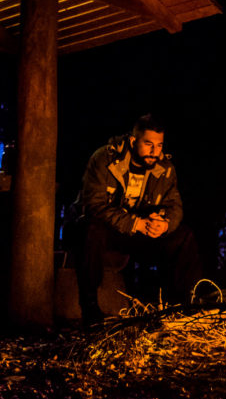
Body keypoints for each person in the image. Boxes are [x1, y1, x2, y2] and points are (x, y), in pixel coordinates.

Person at [72, 114, 200, 323]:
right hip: (110, 230)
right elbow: (93, 206)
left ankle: (182, 308)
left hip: (142, 232)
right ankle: (90, 309)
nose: (154, 151)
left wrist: (164, 224)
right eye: (148, 144)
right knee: (90, 229)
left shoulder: (165, 168)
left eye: (159, 146)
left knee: (184, 236)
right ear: (133, 141)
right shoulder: (105, 159)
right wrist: (135, 223)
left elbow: (174, 206)